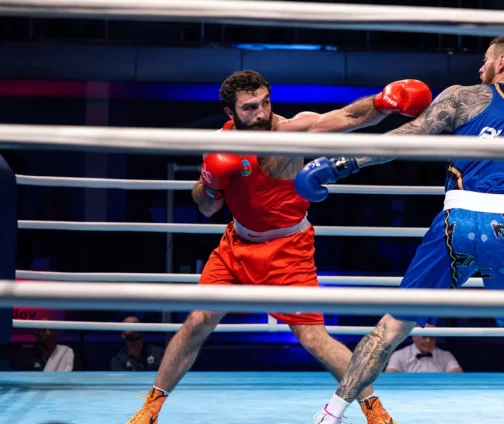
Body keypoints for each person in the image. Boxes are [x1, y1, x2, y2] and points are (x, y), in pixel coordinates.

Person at [296, 37, 504, 424]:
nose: (480, 67)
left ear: (501, 62)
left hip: (455, 223)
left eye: (485, 59)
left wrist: (341, 163)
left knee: (393, 325)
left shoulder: (462, 97)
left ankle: (332, 413)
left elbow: (409, 139)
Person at [125, 70, 432, 424]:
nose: (261, 113)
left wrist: (382, 104)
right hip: (237, 244)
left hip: (288, 249)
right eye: (250, 107)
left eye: (265, 103)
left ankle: (374, 410)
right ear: (230, 112)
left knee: (313, 337)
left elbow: (348, 117)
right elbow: (207, 207)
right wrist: (208, 184)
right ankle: (151, 407)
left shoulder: (290, 133)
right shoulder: (219, 143)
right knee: (197, 321)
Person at [385, 332, 463, 373]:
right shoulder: (399, 355)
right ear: (414, 336)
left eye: (432, 337)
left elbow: (457, 374)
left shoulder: (446, 355)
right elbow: (391, 376)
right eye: (424, 337)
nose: (428, 340)